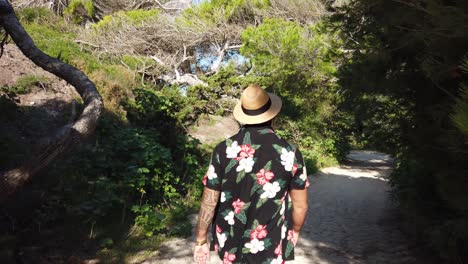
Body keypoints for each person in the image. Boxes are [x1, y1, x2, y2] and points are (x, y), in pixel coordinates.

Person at [193, 84, 310, 264]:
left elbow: (210, 199)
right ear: (273, 115)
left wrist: (201, 239)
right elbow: (300, 206)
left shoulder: (223, 150)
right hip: (271, 244)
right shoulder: (290, 153)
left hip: (230, 242)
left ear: (243, 116)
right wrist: (295, 231)